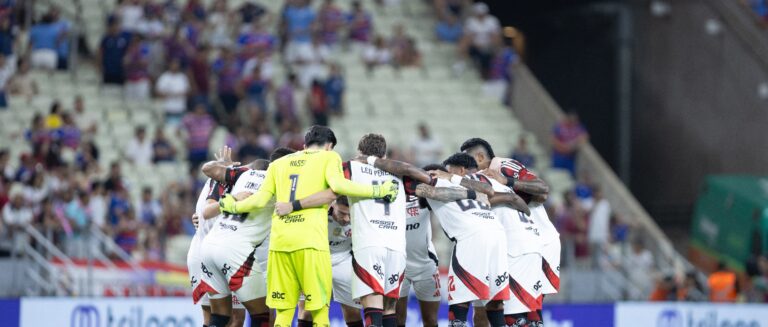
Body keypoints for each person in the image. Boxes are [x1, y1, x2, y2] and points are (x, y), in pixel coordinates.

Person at [218, 125, 399, 327]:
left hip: (280, 244)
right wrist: (378, 190)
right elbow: (338, 187)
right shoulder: (329, 158)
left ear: (305, 144)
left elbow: (260, 200)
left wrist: (233, 205)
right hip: (310, 242)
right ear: (329, 146)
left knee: (284, 313)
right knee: (320, 311)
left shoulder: (279, 164)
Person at [460, 138, 555, 326]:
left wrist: (507, 181)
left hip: (532, 241)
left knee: (519, 313)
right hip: (504, 245)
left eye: (467, 160)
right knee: (484, 310)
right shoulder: (479, 179)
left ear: (480, 157)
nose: (465, 166)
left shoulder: (501, 166)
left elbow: (543, 191)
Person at [185, 147, 247, 327]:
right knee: (231, 317)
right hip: (217, 254)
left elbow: (202, 213)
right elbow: (205, 213)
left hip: (202, 252)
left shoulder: (213, 182)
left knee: (219, 317)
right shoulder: (225, 182)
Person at [297, 196, 363, 326]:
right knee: (306, 309)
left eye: (349, 214)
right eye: (342, 213)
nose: (346, 219)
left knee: (352, 310)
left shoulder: (360, 214)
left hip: (343, 260)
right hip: (315, 260)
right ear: (332, 204)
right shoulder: (318, 211)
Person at [459, 2, 500, 79]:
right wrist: (476, 44)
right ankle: (461, 63)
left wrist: (487, 45)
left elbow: (495, 37)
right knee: (463, 43)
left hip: (488, 46)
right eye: (479, 13)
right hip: (474, 45)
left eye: (482, 13)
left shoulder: (492, 21)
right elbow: (467, 37)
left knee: (489, 54)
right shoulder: (471, 21)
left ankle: (488, 73)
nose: (481, 15)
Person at [181, 103, 216, 169]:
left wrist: (210, 137)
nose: (200, 110)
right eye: (198, 109)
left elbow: (214, 127)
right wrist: (186, 140)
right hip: (193, 148)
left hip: (205, 148)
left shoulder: (208, 118)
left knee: (206, 165)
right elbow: (180, 128)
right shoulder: (189, 119)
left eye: (202, 109)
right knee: (193, 166)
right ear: (195, 110)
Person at [156, 58, 190, 122]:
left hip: (180, 108)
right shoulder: (164, 77)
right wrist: (169, 94)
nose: (175, 66)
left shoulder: (182, 77)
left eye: (176, 64)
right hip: (168, 108)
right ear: (170, 65)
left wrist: (180, 94)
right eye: (173, 64)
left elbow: (188, 92)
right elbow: (158, 92)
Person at [99, 18, 130, 86]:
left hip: (120, 70)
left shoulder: (124, 38)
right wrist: (100, 66)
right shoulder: (106, 38)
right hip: (108, 70)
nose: (114, 27)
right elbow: (101, 52)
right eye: (113, 25)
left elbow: (128, 52)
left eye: (116, 25)